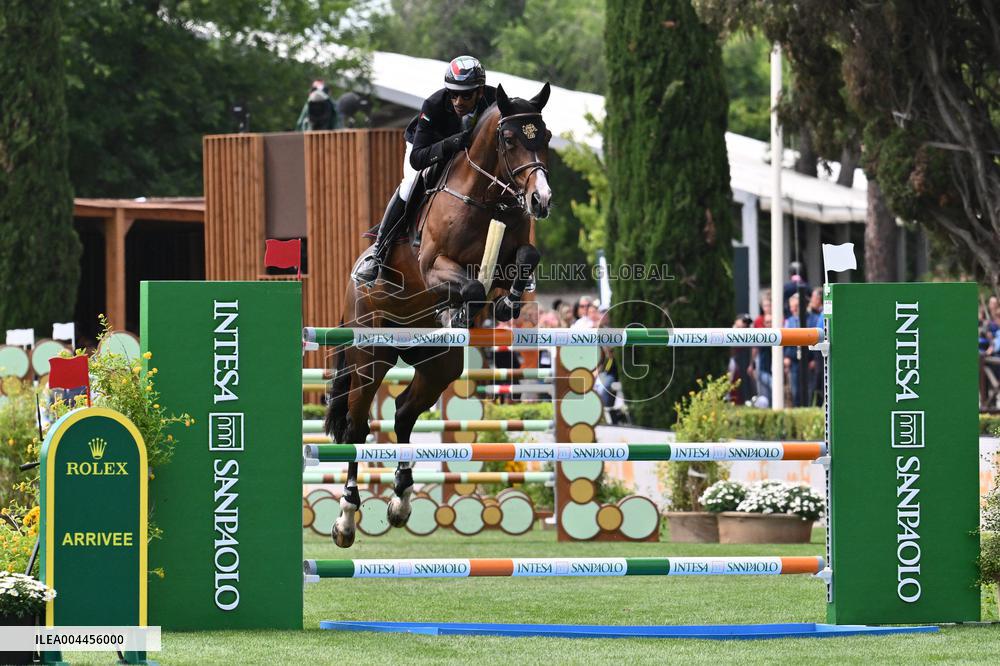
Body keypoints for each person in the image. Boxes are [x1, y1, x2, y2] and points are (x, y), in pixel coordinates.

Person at [354, 56, 497, 285]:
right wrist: (452, 143)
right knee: (409, 184)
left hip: (468, 157)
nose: (458, 101)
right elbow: (417, 158)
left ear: (480, 91)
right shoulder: (433, 105)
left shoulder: (494, 99)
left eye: (466, 95)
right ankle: (378, 252)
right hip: (428, 148)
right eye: (453, 94)